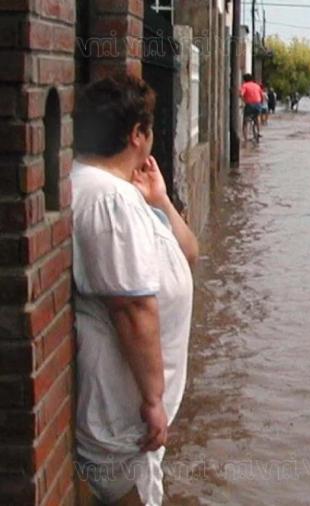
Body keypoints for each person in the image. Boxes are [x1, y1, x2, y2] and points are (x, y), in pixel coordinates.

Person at [71, 75, 199, 506]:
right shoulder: (110, 199)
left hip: (130, 421)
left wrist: (160, 200)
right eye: (150, 129)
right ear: (137, 135)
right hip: (123, 420)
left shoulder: (125, 193)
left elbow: (189, 254)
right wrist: (153, 399)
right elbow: (131, 308)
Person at [240, 73, 262, 141]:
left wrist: (244, 100)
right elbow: (261, 95)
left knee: (245, 121)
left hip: (249, 104)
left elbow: (241, 94)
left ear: (244, 80)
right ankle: (258, 132)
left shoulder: (244, 85)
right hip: (258, 104)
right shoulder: (257, 85)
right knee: (257, 117)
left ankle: (245, 138)